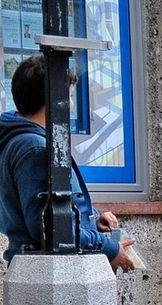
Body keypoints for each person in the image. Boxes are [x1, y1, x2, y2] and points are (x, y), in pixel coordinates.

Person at [0, 54, 134, 269]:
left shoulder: (21, 139)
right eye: (70, 96)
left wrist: (92, 220)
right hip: (49, 271)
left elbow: (52, 209)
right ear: (55, 100)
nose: (72, 104)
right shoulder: (35, 148)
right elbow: (51, 229)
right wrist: (109, 248)